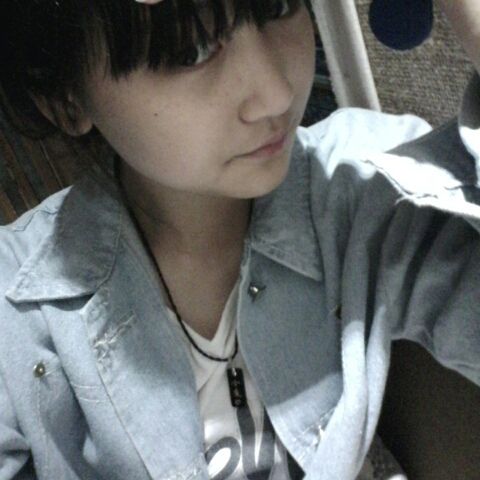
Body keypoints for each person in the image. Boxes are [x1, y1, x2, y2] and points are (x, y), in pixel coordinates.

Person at [0, 1, 478, 479]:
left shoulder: (367, 182)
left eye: (279, 7)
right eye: (190, 50)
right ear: (65, 99)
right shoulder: (18, 310)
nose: (276, 95)